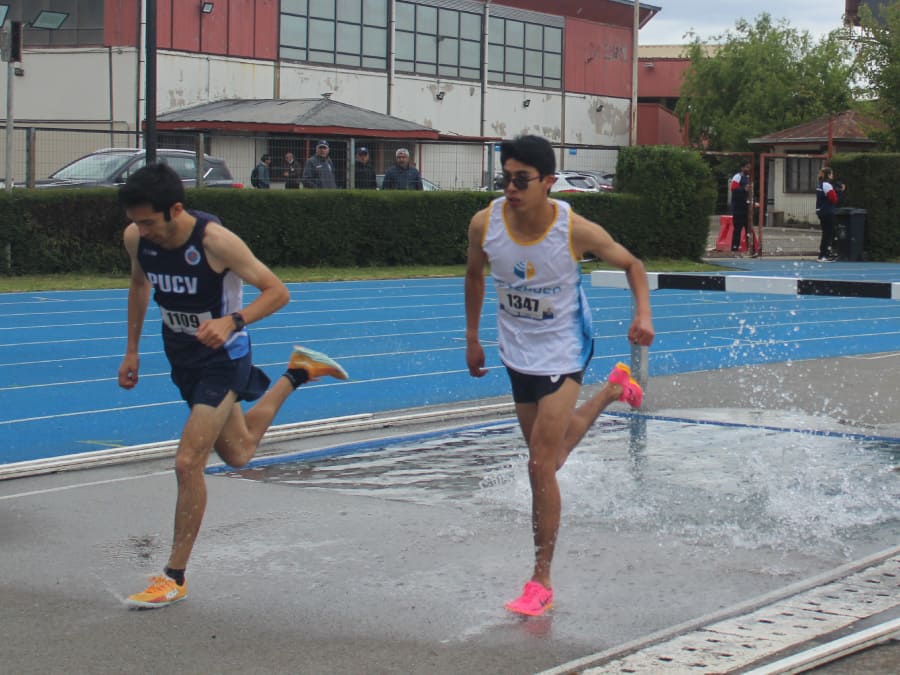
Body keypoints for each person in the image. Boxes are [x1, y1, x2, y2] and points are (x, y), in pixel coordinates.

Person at [117, 163, 349, 609]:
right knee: (239, 453)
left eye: (148, 222)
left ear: (175, 210)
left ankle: (174, 577)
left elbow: (277, 291)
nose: (142, 231)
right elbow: (138, 284)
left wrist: (232, 321)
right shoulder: (136, 239)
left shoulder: (215, 242)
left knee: (188, 462)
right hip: (182, 354)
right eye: (135, 222)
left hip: (224, 357)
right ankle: (300, 371)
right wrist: (131, 350)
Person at [464, 135, 654, 617]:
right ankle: (613, 389)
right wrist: (471, 337)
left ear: (548, 182)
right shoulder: (484, 223)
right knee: (554, 455)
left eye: (522, 180)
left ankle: (540, 580)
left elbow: (632, 264)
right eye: (506, 178)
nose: (511, 188)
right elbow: (474, 275)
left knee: (539, 465)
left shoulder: (574, 229)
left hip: (565, 349)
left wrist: (643, 315)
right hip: (516, 351)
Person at [815, 167, 839, 262]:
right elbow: (834, 199)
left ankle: (824, 254)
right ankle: (824, 255)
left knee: (826, 233)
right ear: (828, 175)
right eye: (831, 174)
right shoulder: (827, 185)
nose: (832, 176)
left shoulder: (820, 184)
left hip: (821, 211)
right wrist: (839, 193)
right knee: (829, 234)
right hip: (827, 211)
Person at [730, 161, 751, 256]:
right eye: (747, 167)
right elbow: (733, 190)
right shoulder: (737, 177)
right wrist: (743, 189)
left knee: (748, 230)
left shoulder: (749, 178)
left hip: (747, 209)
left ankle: (750, 248)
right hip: (738, 208)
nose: (748, 169)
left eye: (749, 167)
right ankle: (734, 249)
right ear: (742, 168)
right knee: (737, 229)